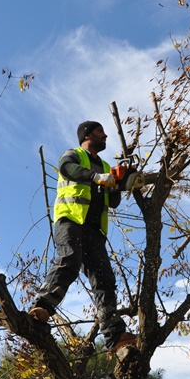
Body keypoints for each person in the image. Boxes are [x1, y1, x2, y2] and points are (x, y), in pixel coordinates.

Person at [28, 121, 136, 352]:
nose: (105, 135)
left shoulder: (105, 166)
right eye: (100, 131)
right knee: (70, 260)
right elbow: (67, 169)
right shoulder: (74, 155)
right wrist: (97, 177)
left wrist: (120, 183)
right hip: (71, 219)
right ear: (87, 135)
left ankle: (114, 335)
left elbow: (113, 201)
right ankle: (42, 307)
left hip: (95, 229)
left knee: (104, 279)